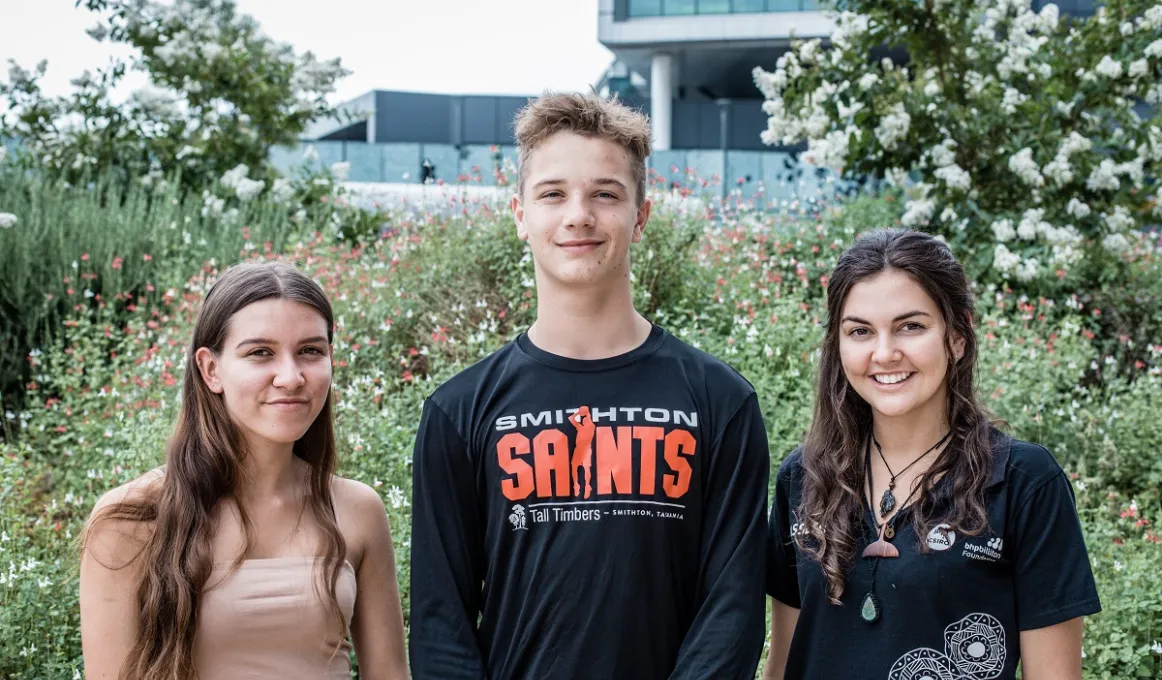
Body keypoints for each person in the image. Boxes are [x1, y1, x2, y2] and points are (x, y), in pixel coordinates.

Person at [408, 92, 770, 680]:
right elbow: (439, 622)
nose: (579, 214)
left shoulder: (719, 402)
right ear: (520, 214)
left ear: (641, 215)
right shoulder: (458, 411)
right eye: (553, 194)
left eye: (606, 193)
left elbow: (731, 610)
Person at [762, 229, 1101, 680]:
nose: (884, 353)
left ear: (957, 336)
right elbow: (784, 663)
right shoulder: (802, 477)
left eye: (911, 326)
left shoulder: (1025, 483)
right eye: (860, 331)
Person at [79, 261, 409, 680]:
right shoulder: (132, 518)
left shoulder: (357, 509)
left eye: (311, 350)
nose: (291, 377)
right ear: (211, 369)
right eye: (260, 353)